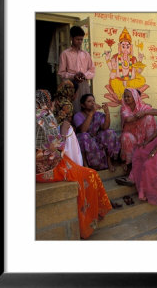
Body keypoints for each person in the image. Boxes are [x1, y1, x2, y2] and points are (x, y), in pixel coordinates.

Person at [36, 90, 116, 240]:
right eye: (51, 101)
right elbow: (57, 148)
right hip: (48, 168)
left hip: (39, 167)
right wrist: (65, 132)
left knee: (85, 171)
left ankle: (94, 211)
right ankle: (90, 217)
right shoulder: (45, 118)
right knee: (90, 175)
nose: (53, 104)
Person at [73, 93, 121, 172]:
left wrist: (107, 112)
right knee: (83, 136)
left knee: (109, 132)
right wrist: (91, 113)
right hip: (86, 141)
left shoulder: (98, 115)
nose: (93, 103)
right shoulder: (78, 116)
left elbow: (105, 127)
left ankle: (109, 162)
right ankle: (85, 165)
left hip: (97, 140)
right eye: (89, 101)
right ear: (83, 105)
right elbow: (83, 130)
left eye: (93, 101)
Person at [119, 88, 157, 173]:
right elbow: (128, 119)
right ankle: (130, 164)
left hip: (144, 136)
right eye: (125, 96)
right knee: (125, 137)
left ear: (134, 97)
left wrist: (145, 112)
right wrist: (142, 114)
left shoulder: (143, 106)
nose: (126, 98)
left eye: (128, 96)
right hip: (132, 135)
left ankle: (149, 146)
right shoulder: (124, 108)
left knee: (149, 117)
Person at [58, 26, 95, 112]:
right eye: (77, 39)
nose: (80, 42)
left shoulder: (86, 54)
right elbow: (61, 72)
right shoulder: (65, 54)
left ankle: (86, 125)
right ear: (71, 38)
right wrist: (73, 76)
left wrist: (84, 75)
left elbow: (92, 70)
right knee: (74, 108)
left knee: (86, 107)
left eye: (81, 39)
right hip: (71, 85)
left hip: (84, 84)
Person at [104, 27, 146, 100]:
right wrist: (107, 58)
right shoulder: (115, 57)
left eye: (127, 46)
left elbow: (138, 71)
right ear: (120, 47)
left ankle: (128, 87)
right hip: (119, 80)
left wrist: (140, 60)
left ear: (130, 47)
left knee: (142, 79)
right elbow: (112, 69)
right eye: (123, 46)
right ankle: (123, 95)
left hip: (130, 81)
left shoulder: (133, 58)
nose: (125, 49)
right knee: (114, 81)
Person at [52, 80, 83, 166]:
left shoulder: (55, 102)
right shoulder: (68, 105)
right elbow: (65, 123)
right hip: (65, 133)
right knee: (70, 155)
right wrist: (62, 140)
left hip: (54, 131)